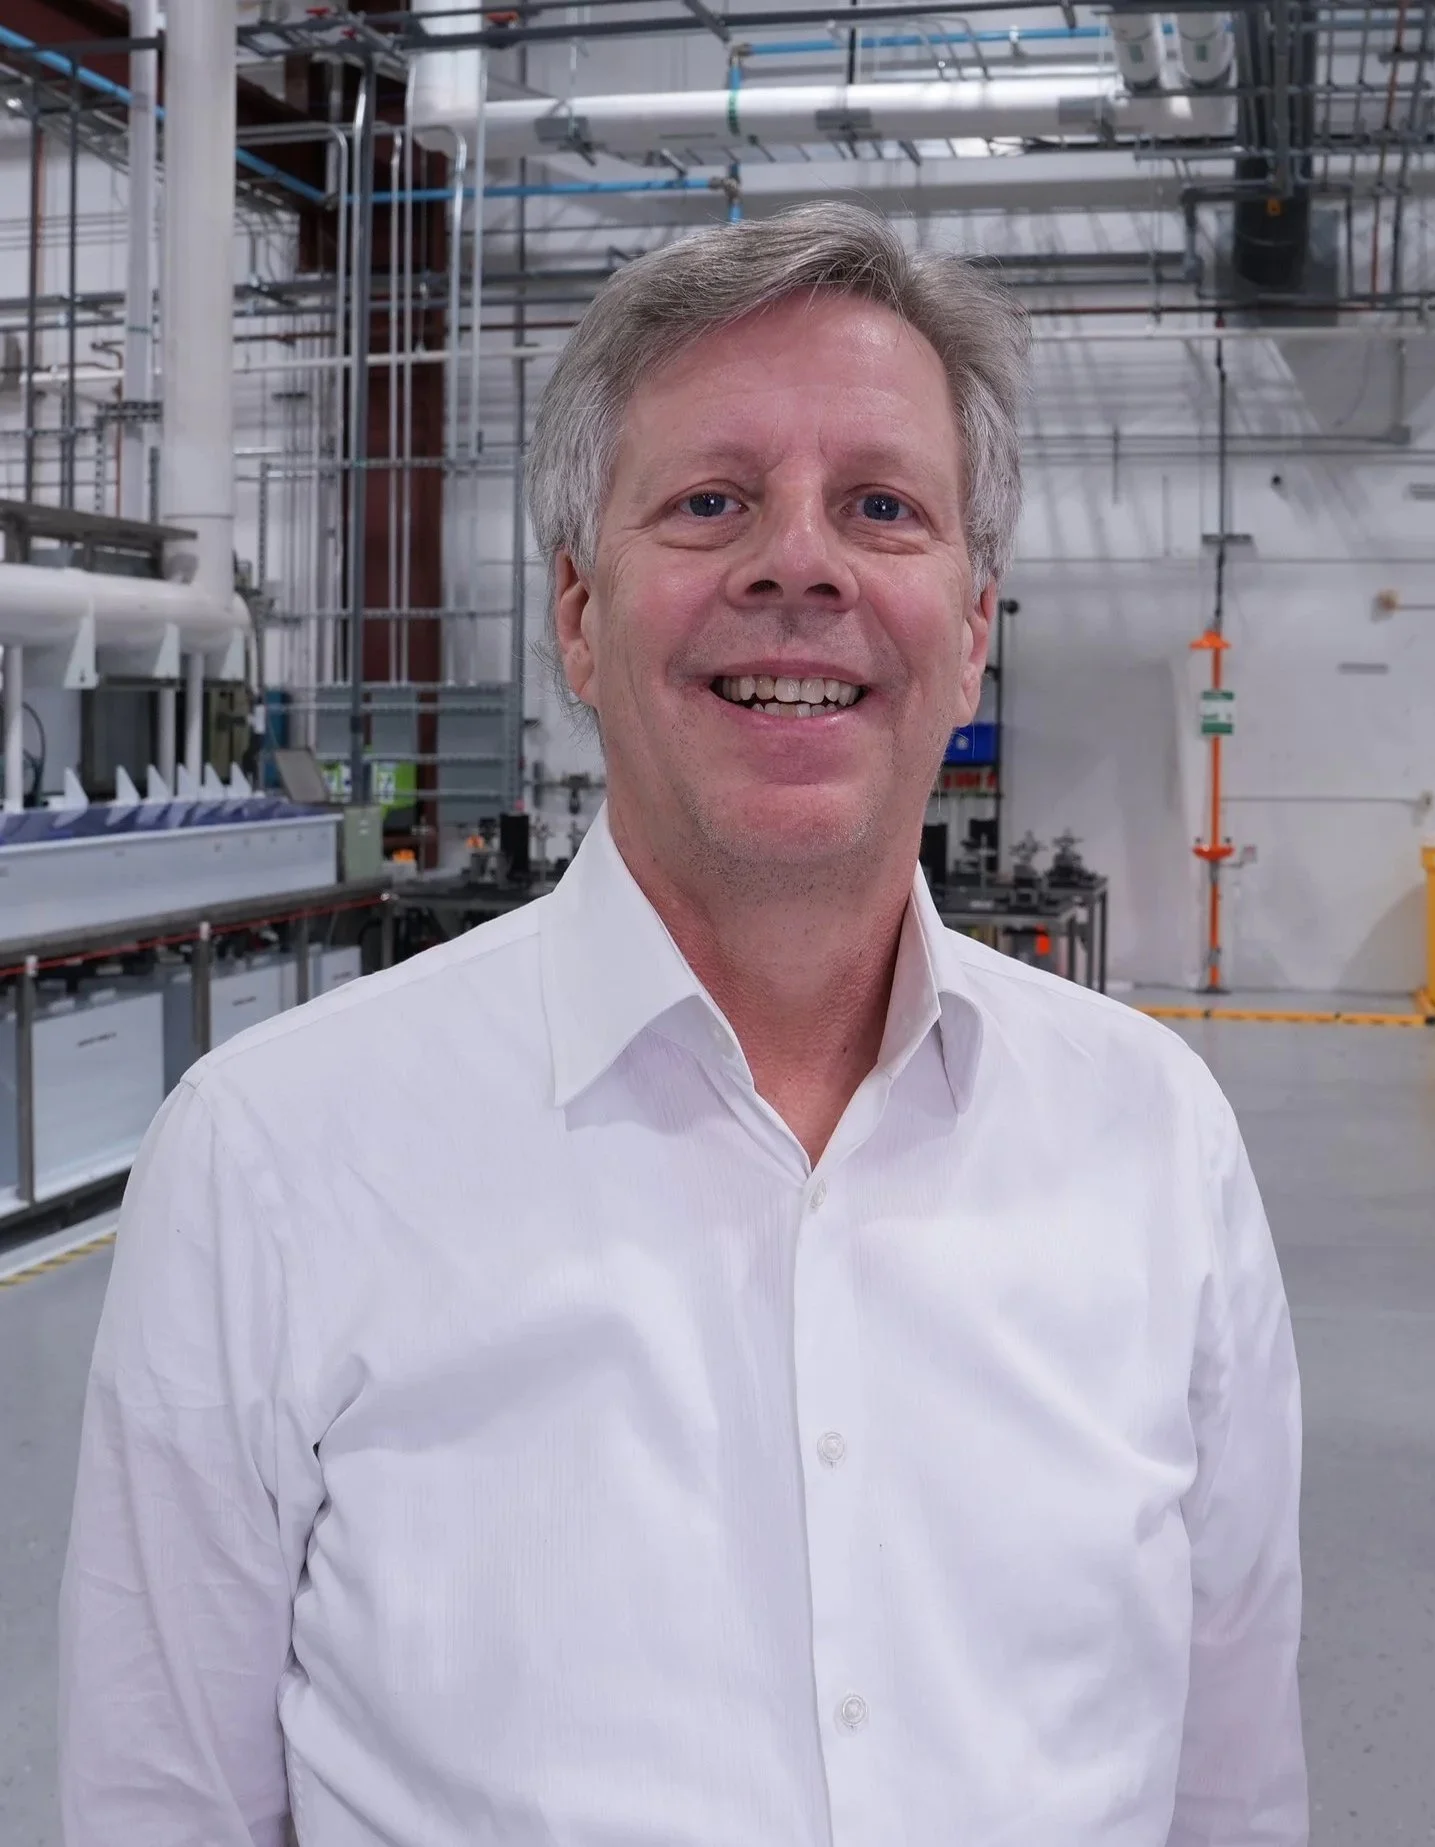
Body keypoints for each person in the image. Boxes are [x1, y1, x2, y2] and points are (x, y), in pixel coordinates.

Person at [60, 202, 1307, 1847]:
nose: (799, 562)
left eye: (882, 504)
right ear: (579, 614)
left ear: (974, 626)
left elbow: (1231, 1792)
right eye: (712, 501)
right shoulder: (278, 1159)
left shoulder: (1157, 1144)